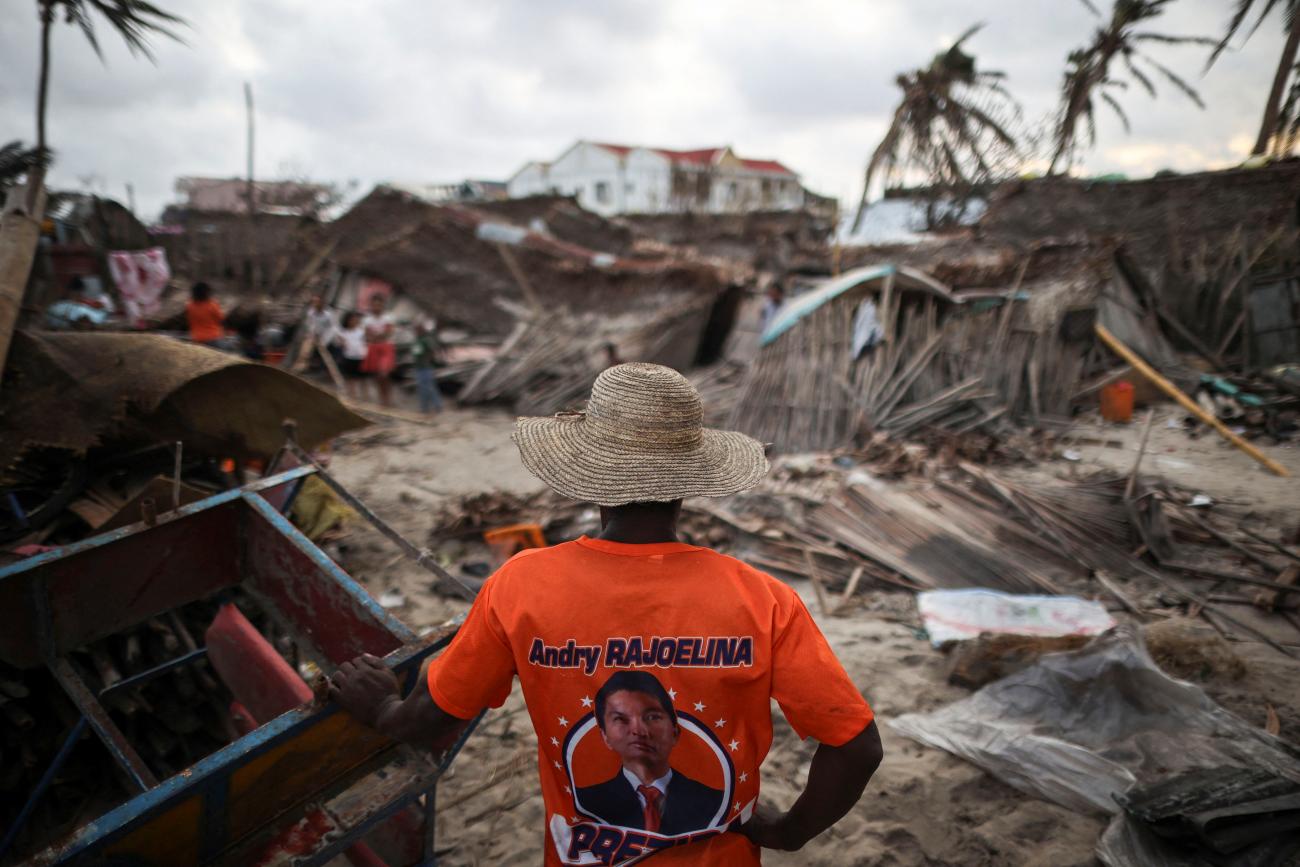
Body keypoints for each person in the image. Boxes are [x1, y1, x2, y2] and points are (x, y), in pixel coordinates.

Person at [330, 363, 882, 866]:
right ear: (687, 481)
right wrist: (790, 832)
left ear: (591, 475)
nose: (638, 733)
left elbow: (430, 718)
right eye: (623, 720)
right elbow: (856, 746)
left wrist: (380, 706)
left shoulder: (522, 585)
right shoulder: (762, 600)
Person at [575, 671, 724, 835]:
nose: (639, 731)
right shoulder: (583, 804)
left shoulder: (717, 802)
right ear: (605, 736)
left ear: (675, 732)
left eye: (652, 717)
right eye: (621, 719)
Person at [361, 294, 396, 406]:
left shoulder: (388, 318)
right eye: (374, 305)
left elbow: (388, 333)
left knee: (384, 373)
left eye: (379, 305)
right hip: (373, 348)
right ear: (371, 305)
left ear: (382, 305)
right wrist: (377, 336)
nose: (376, 307)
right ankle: (382, 399)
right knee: (377, 375)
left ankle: (387, 398)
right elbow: (367, 335)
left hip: (385, 347)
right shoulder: (367, 319)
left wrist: (377, 336)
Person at [410, 317, 444, 414]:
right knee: (423, 388)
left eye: (417, 328)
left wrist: (428, 359)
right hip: (419, 367)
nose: (416, 330)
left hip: (425, 367)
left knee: (429, 388)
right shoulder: (417, 340)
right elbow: (415, 353)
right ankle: (425, 407)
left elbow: (433, 350)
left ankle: (435, 406)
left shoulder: (425, 340)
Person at [336, 311, 368, 400]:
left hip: (361, 357)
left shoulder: (361, 331)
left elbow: (366, 342)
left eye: (355, 319)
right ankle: (353, 397)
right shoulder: (343, 332)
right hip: (349, 357)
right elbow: (340, 344)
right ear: (347, 320)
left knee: (363, 379)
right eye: (352, 319)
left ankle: (365, 397)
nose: (354, 321)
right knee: (351, 378)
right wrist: (342, 343)